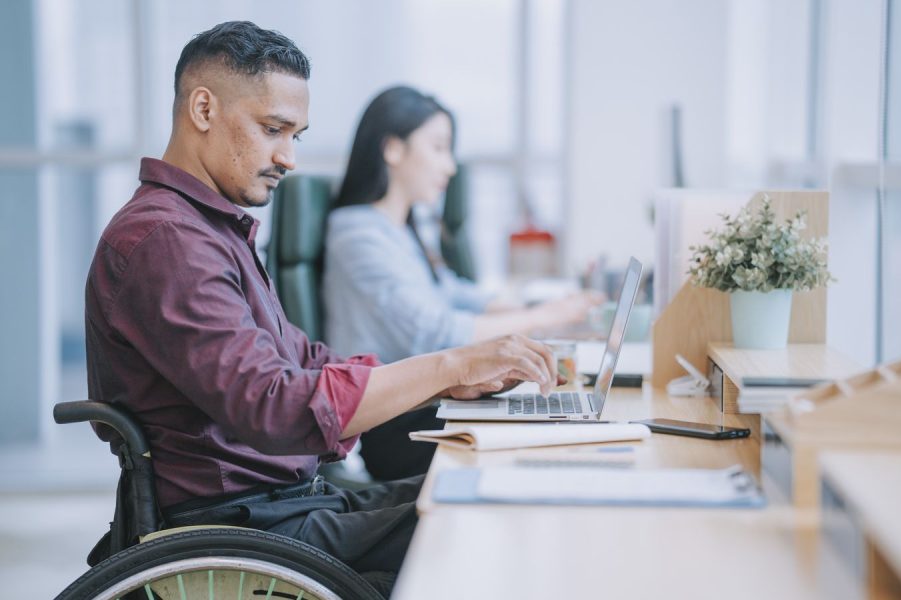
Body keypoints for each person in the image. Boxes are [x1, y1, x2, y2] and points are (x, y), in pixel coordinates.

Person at [84, 21, 557, 595]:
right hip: (241, 528)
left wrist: (446, 384)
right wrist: (450, 366)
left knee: (483, 488)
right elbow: (274, 406)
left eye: (296, 136)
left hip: (284, 506)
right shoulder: (167, 242)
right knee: (483, 522)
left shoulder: (208, 230)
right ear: (203, 109)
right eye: (272, 130)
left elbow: (300, 357)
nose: (288, 157)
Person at [323, 86, 602, 479]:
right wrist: (545, 315)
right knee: (541, 446)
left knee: (553, 425)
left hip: (428, 401)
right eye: (438, 148)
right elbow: (435, 332)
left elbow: (450, 292)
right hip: (396, 424)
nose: (450, 167)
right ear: (393, 149)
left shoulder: (404, 227)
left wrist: (535, 313)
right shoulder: (357, 234)